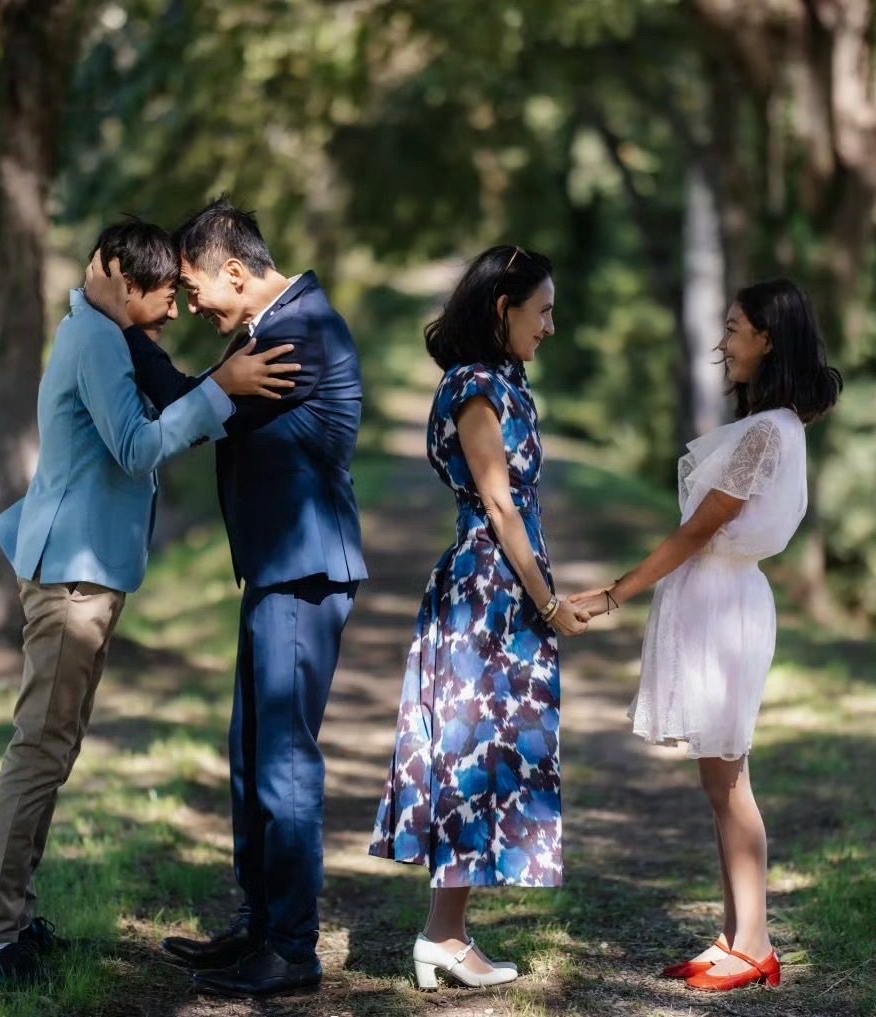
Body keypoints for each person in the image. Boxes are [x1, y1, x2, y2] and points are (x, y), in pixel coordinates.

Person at [0, 218, 295, 987]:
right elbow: (136, 446)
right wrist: (222, 389)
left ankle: (10, 918)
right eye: (164, 293)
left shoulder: (101, 332)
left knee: (52, 749)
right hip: (70, 574)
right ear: (120, 275)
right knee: (39, 750)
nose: (175, 308)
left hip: (82, 568)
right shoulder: (97, 339)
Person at [89, 198, 366, 999]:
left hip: (302, 571)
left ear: (235, 272)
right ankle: (258, 923)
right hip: (275, 568)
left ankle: (292, 948)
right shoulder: (268, 329)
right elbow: (208, 397)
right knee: (251, 757)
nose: (191, 304)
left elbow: (192, 407)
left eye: (193, 288)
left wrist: (116, 322)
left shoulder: (301, 333)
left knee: (283, 763)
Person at [572, 277, 841, 993]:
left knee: (730, 781)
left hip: (725, 608)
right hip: (724, 599)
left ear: (767, 339)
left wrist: (613, 594)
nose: (723, 344)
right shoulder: (775, 425)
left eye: (733, 329)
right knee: (721, 781)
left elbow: (698, 530)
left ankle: (755, 944)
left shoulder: (766, 432)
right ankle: (734, 935)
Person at [369, 245, 588, 991]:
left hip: (503, 586)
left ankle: (446, 931)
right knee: (471, 754)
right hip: (488, 590)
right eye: (542, 311)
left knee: (487, 753)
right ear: (504, 309)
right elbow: (498, 503)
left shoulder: (505, 381)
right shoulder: (475, 388)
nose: (550, 326)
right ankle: (443, 935)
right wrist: (547, 601)